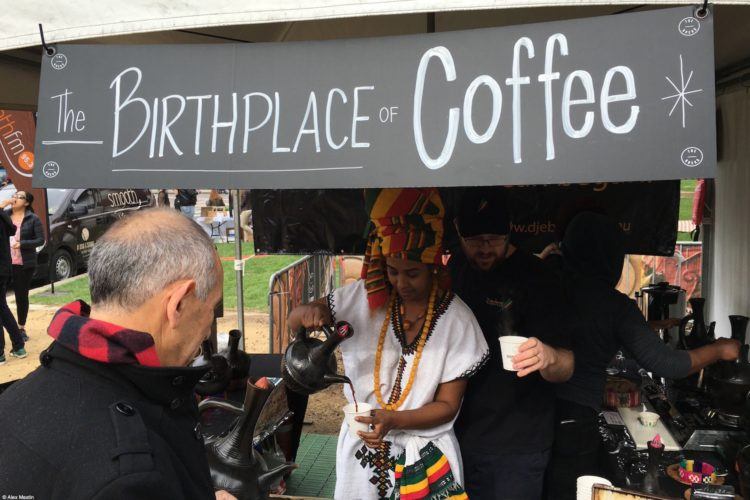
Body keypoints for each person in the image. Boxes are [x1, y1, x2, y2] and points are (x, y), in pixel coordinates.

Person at [0, 208, 237, 500]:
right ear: (178, 304)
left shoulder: (19, 395)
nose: (208, 326)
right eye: (211, 308)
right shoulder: (132, 477)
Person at [288, 188, 489, 500]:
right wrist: (309, 313)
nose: (401, 283)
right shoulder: (360, 299)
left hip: (427, 456)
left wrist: (393, 420)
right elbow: (294, 320)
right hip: (361, 451)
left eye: (413, 273)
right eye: (393, 271)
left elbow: (447, 407)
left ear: (434, 266)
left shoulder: (457, 321)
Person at [546, 211, 741, 499]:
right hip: (575, 421)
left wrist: (648, 328)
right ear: (611, 256)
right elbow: (666, 363)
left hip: (534, 417)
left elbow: (588, 329)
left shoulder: (549, 287)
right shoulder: (614, 305)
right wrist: (719, 349)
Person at [449, 187, 574, 500]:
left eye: (495, 238)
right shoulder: (456, 270)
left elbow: (568, 366)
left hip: (516, 446)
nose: (485, 248)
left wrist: (547, 357)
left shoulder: (539, 279)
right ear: (458, 232)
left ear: (510, 231)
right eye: (475, 240)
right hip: (455, 435)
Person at [1, 191, 44, 341]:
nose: (15, 198)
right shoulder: (4, 214)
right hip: (5, 263)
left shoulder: (32, 218)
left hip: (23, 263)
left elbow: (40, 240)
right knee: (2, 299)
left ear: (26, 203)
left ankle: (21, 327)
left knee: (21, 296)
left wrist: (22, 244)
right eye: (14, 195)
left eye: (19, 197)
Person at [0, 201, 24, 364]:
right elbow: (12, 229)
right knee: (2, 306)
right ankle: (18, 346)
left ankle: (2, 352)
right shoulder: (3, 216)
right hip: (4, 268)